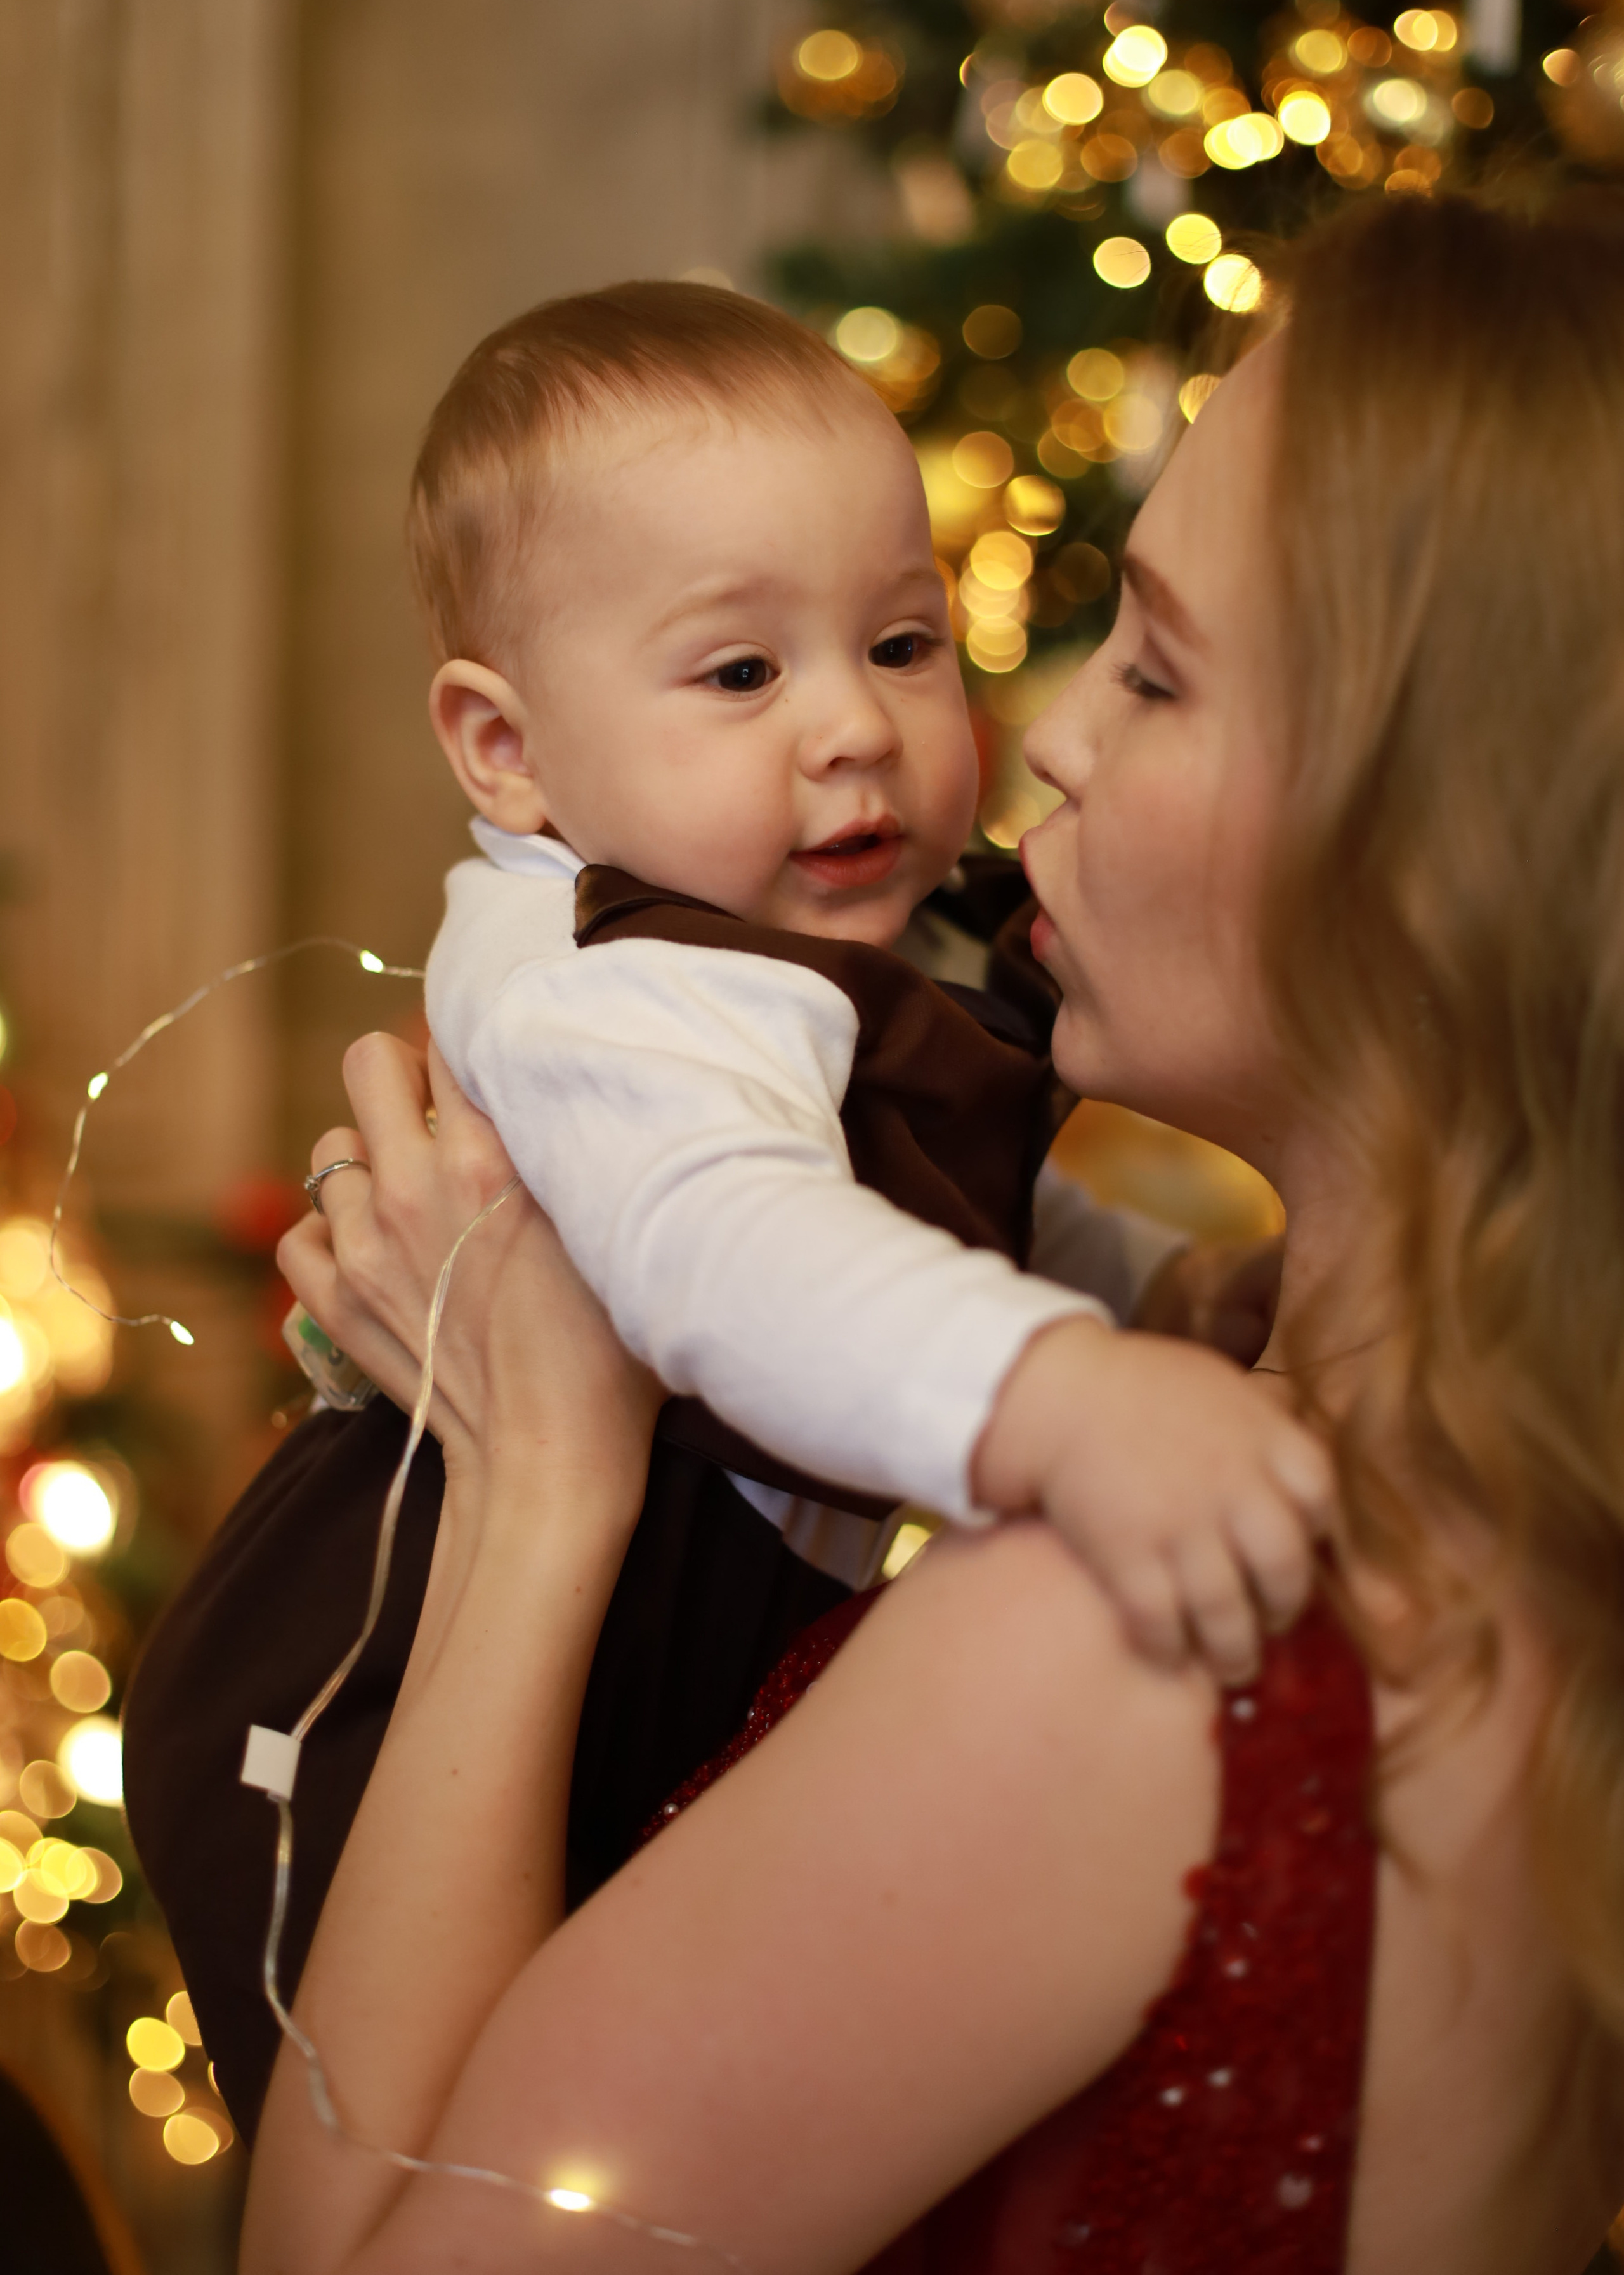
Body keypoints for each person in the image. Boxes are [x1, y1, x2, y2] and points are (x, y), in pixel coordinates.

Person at [235, 191, 1624, 2274]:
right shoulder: (1532, 1545)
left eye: (1158, 669)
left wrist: (545, 1481)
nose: (1043, 729)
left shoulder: (1145, 1611)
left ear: (1440, 854)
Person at [412, 279, 1325, 1658]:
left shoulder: (786, 932)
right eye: (741, 674)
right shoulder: (604, 982)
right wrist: (1068, 1400)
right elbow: (742, 1252)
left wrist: (1153, 1294)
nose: (858, 724)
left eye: (901, 645)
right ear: (507, 750)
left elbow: (904, 1191)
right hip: (403, 1674)